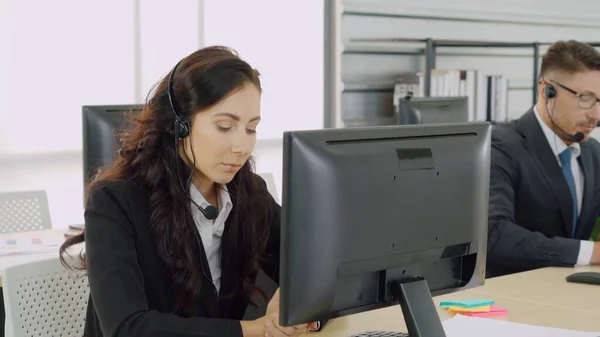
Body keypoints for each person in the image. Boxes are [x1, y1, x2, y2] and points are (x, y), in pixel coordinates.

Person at [59, 46, 318, 337]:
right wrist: (251, 331)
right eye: (224, 126)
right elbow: (127, 329)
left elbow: (307, 259)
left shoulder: (249, 195)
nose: (242, 146)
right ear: (180, 125)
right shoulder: (115, 202)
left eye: (251, 129)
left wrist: (292, 302)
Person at [487, 40, 600, 278]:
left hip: (566, 294)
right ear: (547, 91)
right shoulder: (499, 147)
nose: (595, 115)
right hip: (511, 296)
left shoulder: (592, 152)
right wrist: (589, 252)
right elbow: (493, 234)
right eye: (585, 98)